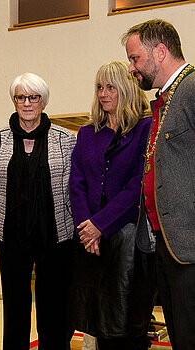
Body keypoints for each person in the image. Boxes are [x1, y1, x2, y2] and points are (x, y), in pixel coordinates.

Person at [67, 61, 155, 350]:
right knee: (98, 324)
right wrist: (86, 228)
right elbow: (77, 183)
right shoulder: (87, 134)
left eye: (111, 87)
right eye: (99, 87)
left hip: (127, 241)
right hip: (90, 243)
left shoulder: (145, 128)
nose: (104, 94)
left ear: (127, 89)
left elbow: (138, 185)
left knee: (128, 323)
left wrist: (99, 225)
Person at [0, 73, 76, 350]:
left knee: (53, 306)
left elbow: (73, 186)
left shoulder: (65, 139)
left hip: (55, 234)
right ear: (14, 101)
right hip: (11, 235)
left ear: (43, 101)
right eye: (20, 97)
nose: (26, 103)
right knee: (14, 305)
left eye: (33, 97)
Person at [122, 19, 195, 350]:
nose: (132, 68)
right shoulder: (166, 99)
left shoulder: (192, 89)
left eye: (135, 58)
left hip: (189, 246)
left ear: (160, 52)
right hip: (167, 246)